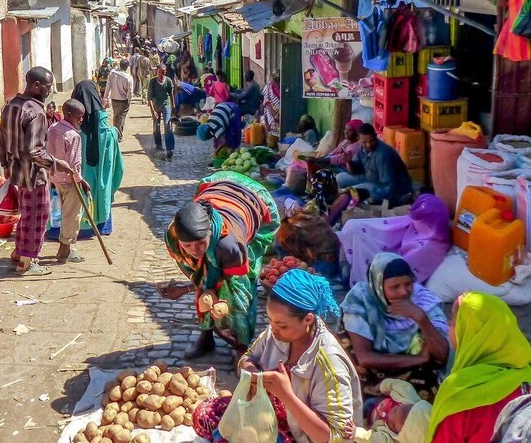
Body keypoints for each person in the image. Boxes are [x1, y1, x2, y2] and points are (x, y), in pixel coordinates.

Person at [159, 174, 279, 358]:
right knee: (206, 282)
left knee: (239, 295)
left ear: (210, 231)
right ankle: (206, 336)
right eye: (188, 246)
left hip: (255, 200)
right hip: (219, 185)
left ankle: (242, 345)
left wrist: (187, 290)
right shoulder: (173, 238)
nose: (195, 250)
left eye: (200, 243)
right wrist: (192, 286)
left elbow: (236, 287)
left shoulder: (230, 245)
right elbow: (199, 273)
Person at [239, 270, 363, 443]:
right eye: (270, 320)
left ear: (308, 319)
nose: (273, 329)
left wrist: (286, 396)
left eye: (281, 325)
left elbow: (338, 437)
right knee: (208, 416)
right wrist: (252, 374)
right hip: (274, 418)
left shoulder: (329, 364)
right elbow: (249, 356)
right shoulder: (275, 334)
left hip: (304, 436)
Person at [340, 253, 449, 400]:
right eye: (394, 287)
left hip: (411, 372)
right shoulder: (361, 299)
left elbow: (442, 355)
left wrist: (421, 318)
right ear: (378, 286)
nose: (404, 292)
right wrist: (418, 359)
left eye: (408, 284)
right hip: (372, 370)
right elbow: (364, 357)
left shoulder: (422, 299)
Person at [1, 67, 76, 275]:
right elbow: (35, 151)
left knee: (26, 215)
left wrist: (5, 165)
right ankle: (27, 262)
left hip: (18, 172)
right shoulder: (35, 112)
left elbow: (3, 139)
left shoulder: (10, 105)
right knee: (38, 218)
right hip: (34, 175)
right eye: (48, 87)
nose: (49, 91)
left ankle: (19, 252)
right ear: (36, 86)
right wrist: (58, 164)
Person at [428, 292, 531, 442]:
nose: (449, 326)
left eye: (453, 321)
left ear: (473, 332)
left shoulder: (459, 391)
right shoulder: (526, 376)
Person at [338, 194, 451, 286]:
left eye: (418, 218)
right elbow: (391, 227)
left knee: (358, 234)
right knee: (354, 228)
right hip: (388, 245)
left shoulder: (429, 246)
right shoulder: (419, 224)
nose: (414, 220)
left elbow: (404, 270)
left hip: (390, 265)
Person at [70, 80, 124, 236]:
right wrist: (114, 131)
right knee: (101, 188)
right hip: (100, 165)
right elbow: (107, 134)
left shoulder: (73, 115)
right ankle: (101, 226)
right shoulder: (100, 115)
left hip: (81, 168)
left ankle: (81, 227)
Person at [46, 99, 90, 262]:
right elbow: (73, 165)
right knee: (72, 215)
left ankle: (65, 246)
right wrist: (81, 181)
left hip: (55, 178)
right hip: (70, 181)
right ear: (69, 114)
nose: (81, 120)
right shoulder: (73, 136)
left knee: (65, 213)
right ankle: (64, 248)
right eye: (79, 116)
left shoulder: (53, 128)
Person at [337, 123, 413, 208]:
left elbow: (388, 187)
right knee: (340, 178)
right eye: (364, 142)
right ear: (358, 139)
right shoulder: (362, 148)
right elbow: (356, 170)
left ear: (376, 136)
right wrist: (348, 162)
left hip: (394, 189)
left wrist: (360, 192)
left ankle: (339, 203)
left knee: (352, 192)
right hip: (372, 179)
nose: (368, 145)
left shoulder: (383, 155)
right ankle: (338, 198)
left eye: (371, 140)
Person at [148, 65, 176, 159]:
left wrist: (174, 107)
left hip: (166, 105)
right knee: (157, 125)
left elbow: (171, 94)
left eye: (163, 72)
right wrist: (153, 111)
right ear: (157, 71)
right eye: (159, 72)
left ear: (166, 71)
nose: (161, 74)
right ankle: (158, 144)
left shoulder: (168, 81)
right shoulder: (152, 82)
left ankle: (169, 148)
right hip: (156, 106)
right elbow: (150, 98)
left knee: (167, 125)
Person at [105, 58, 134, 142]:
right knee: (121, 118)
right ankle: (119, 135)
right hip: (123, 100)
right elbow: (130, 91)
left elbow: (108, 86)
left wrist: (106, 96)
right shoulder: (128, 77)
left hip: (114, 98)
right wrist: (129, 101)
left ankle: (114, 133)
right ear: (127, 67)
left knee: (116, 115)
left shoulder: (112, 74)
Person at [261, 72, 282, 145]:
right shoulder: (268, 87)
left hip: (277, 111)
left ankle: (277, 142)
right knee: (272, 126)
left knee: (277, 126)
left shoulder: (280, 88)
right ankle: (273, 142)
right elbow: (265, 100)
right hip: (270, 110)